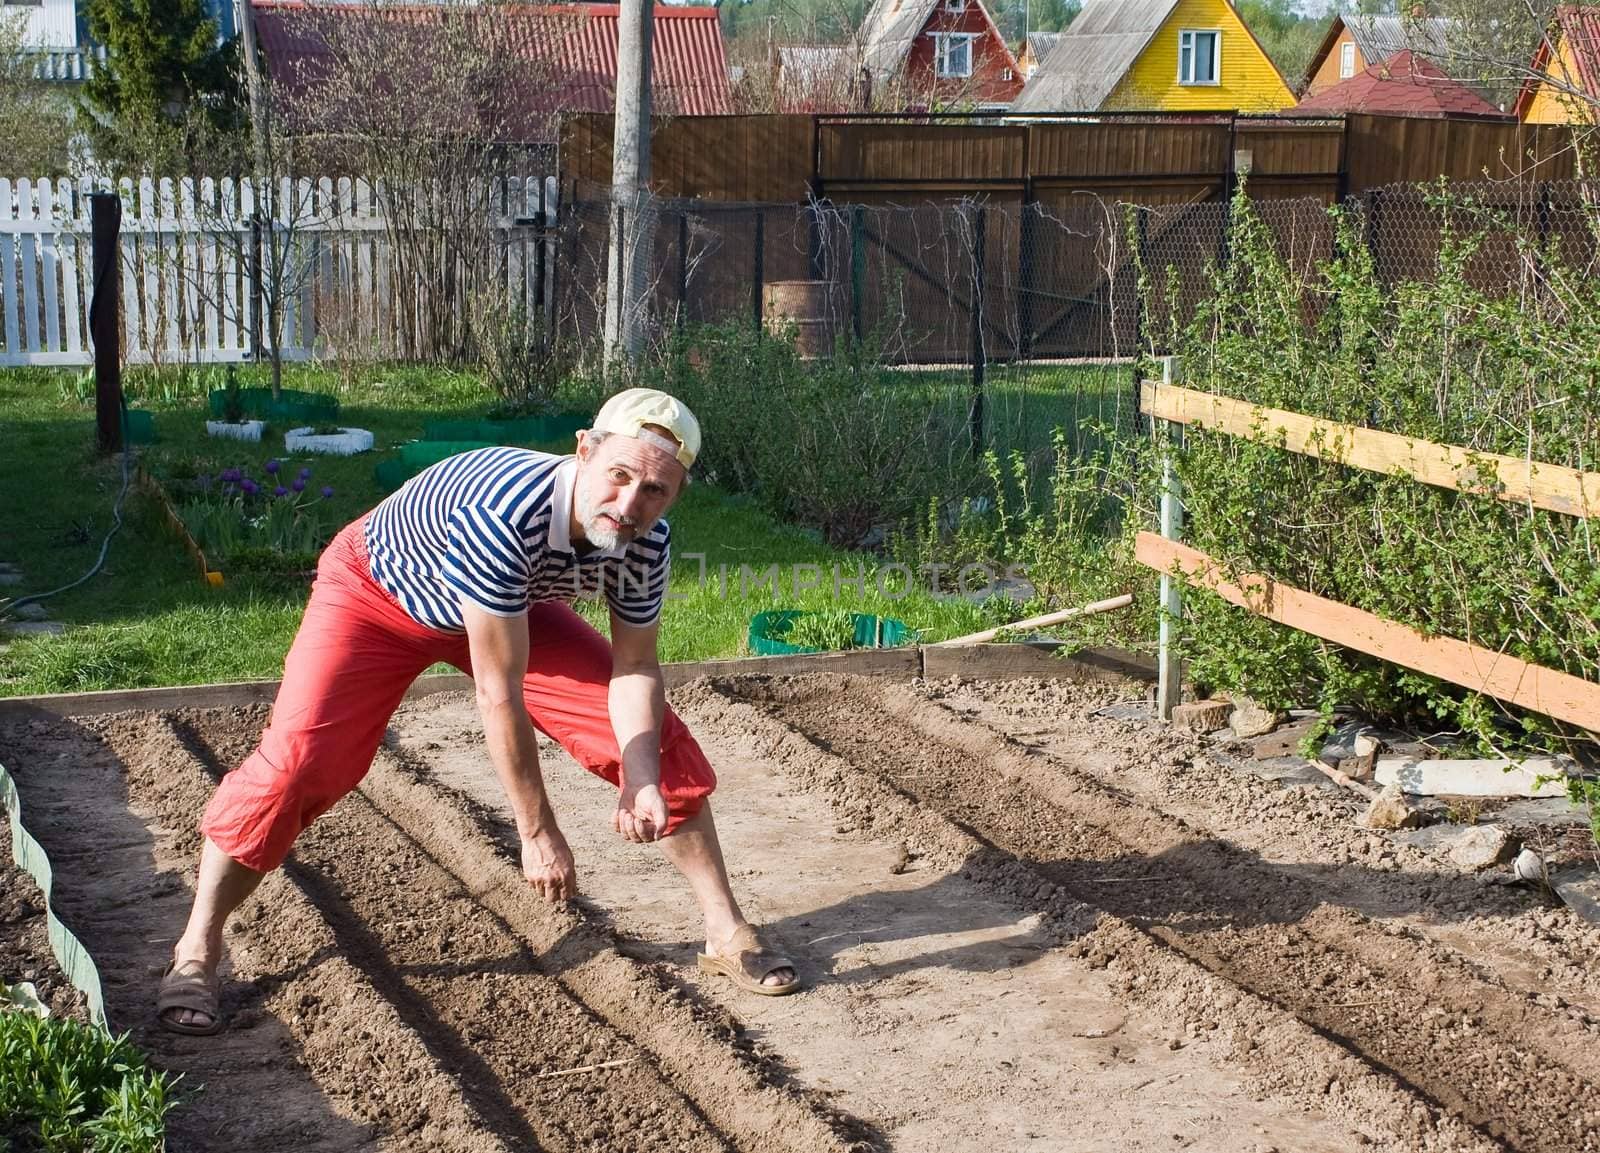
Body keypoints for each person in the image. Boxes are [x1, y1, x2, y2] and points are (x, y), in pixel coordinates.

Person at [156, 388, 800, 1036]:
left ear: (678, 491)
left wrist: (642, 777)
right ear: (585, 449)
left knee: (656, 743)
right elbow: (499, 692)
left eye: (656, 490)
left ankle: (725, 930)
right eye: (620, 476)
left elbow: (635, 668)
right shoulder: (502, 515)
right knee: (300, 764)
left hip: (510, 601)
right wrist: (536, 830)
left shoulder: (644, 543)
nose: (630, 504)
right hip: (378, 596)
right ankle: (197, 947)